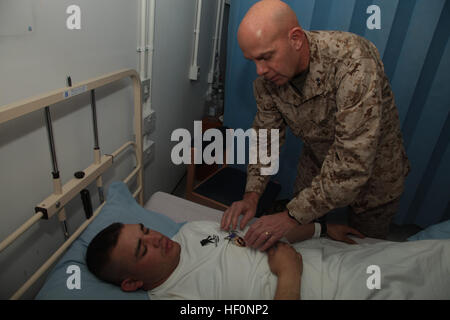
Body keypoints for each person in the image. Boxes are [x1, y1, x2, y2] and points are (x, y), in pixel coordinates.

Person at [220, 0, 411, 249]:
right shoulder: (267, 82)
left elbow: (352, 163)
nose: (259, 70)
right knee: (304, 240)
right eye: (253, 60)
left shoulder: (354, 63)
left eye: (266, 57)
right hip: (316, 161)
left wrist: (290, 216)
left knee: (364, 248)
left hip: (375, 173)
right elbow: (266, 138)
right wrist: (252, 195)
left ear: (296, 39)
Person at [86, 221, 450, 300]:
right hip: (322, 292)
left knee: (431, 255)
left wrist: (320, 229)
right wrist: (290, 274)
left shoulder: (192, 230)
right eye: (143, 249)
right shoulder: (182, 301)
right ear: (132, 283)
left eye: (146, 230)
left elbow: (259, 236)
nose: (156, 239)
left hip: (324, 255)